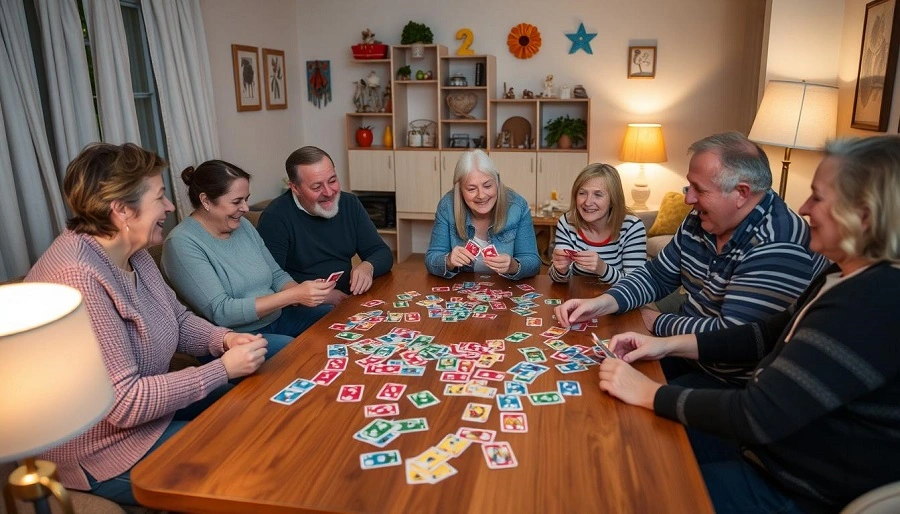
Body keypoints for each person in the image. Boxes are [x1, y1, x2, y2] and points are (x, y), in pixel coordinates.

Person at [596, 135, 900, 513]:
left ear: (865, 214)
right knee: (628, 447)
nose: (804, 208)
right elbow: (765, 334)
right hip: (764, 449)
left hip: (795, 486)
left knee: (632, 484)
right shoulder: (839, 275)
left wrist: (649, 392)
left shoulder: (872, 302)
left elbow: (758, 413)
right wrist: (668, 343)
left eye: (818, 197)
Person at [24, 143, 267, 505]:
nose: (170, 207)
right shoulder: (78, 277)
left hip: (152, 414)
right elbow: (124, 404)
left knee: (258, 414)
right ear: (122, 209)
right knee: (244, 459)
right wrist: (220, 370)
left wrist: (225, 339)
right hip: (101, 450)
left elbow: (178, 319)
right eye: (160, 197)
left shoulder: (132, 252)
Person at [555, 132, 826, 386]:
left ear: (741, 193)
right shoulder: (701, 219)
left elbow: (731, 337)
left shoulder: (776, 244)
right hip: (679, 351)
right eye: (689, 186)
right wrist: (601, 303)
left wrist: (659, 322)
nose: (688, 199)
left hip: (728, 381)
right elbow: (655, 275)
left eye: (699, 189)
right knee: (590, 375)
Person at [161, 160, 335, 352]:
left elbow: (276, 275)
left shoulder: (242, 225)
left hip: (277, 318)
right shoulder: (181, 243)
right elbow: (222, 312)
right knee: (293, 352)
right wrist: (292, 296)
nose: (245, 207)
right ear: (206, 201)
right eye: (237, 201)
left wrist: (304, 293)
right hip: (234, 339)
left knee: (334, 318)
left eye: (246, 199)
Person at [256, 146, 392, 304]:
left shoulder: (349, 203)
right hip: (303, 306)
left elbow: (382, 252)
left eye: (332, 180)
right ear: (295, 188)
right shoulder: (275, 218)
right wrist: (321, 297)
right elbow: (271, 280)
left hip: (347, 298)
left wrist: (368, 266)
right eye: (317, 187)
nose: (329, 192)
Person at [425, 149, 540, 279]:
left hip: (506, 289)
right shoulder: (447, 206)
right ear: (460, 190)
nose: (481, 195)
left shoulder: (517, 206)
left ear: (497, 182)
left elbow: (534, 263)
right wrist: (448, 261)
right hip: (463, 291)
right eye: (471, 189)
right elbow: (431, 260)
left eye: (487, 186)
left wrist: (513, 266)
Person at [550, 163, 647, 283]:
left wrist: (602, 269)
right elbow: (557, 279)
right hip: (578, 297)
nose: (588, 202)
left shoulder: (632, 227)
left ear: (613, 200)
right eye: (582, 193)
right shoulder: (567, 222)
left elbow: (636, 285)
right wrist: (560, 270)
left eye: (598, 194)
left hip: (616, 299)